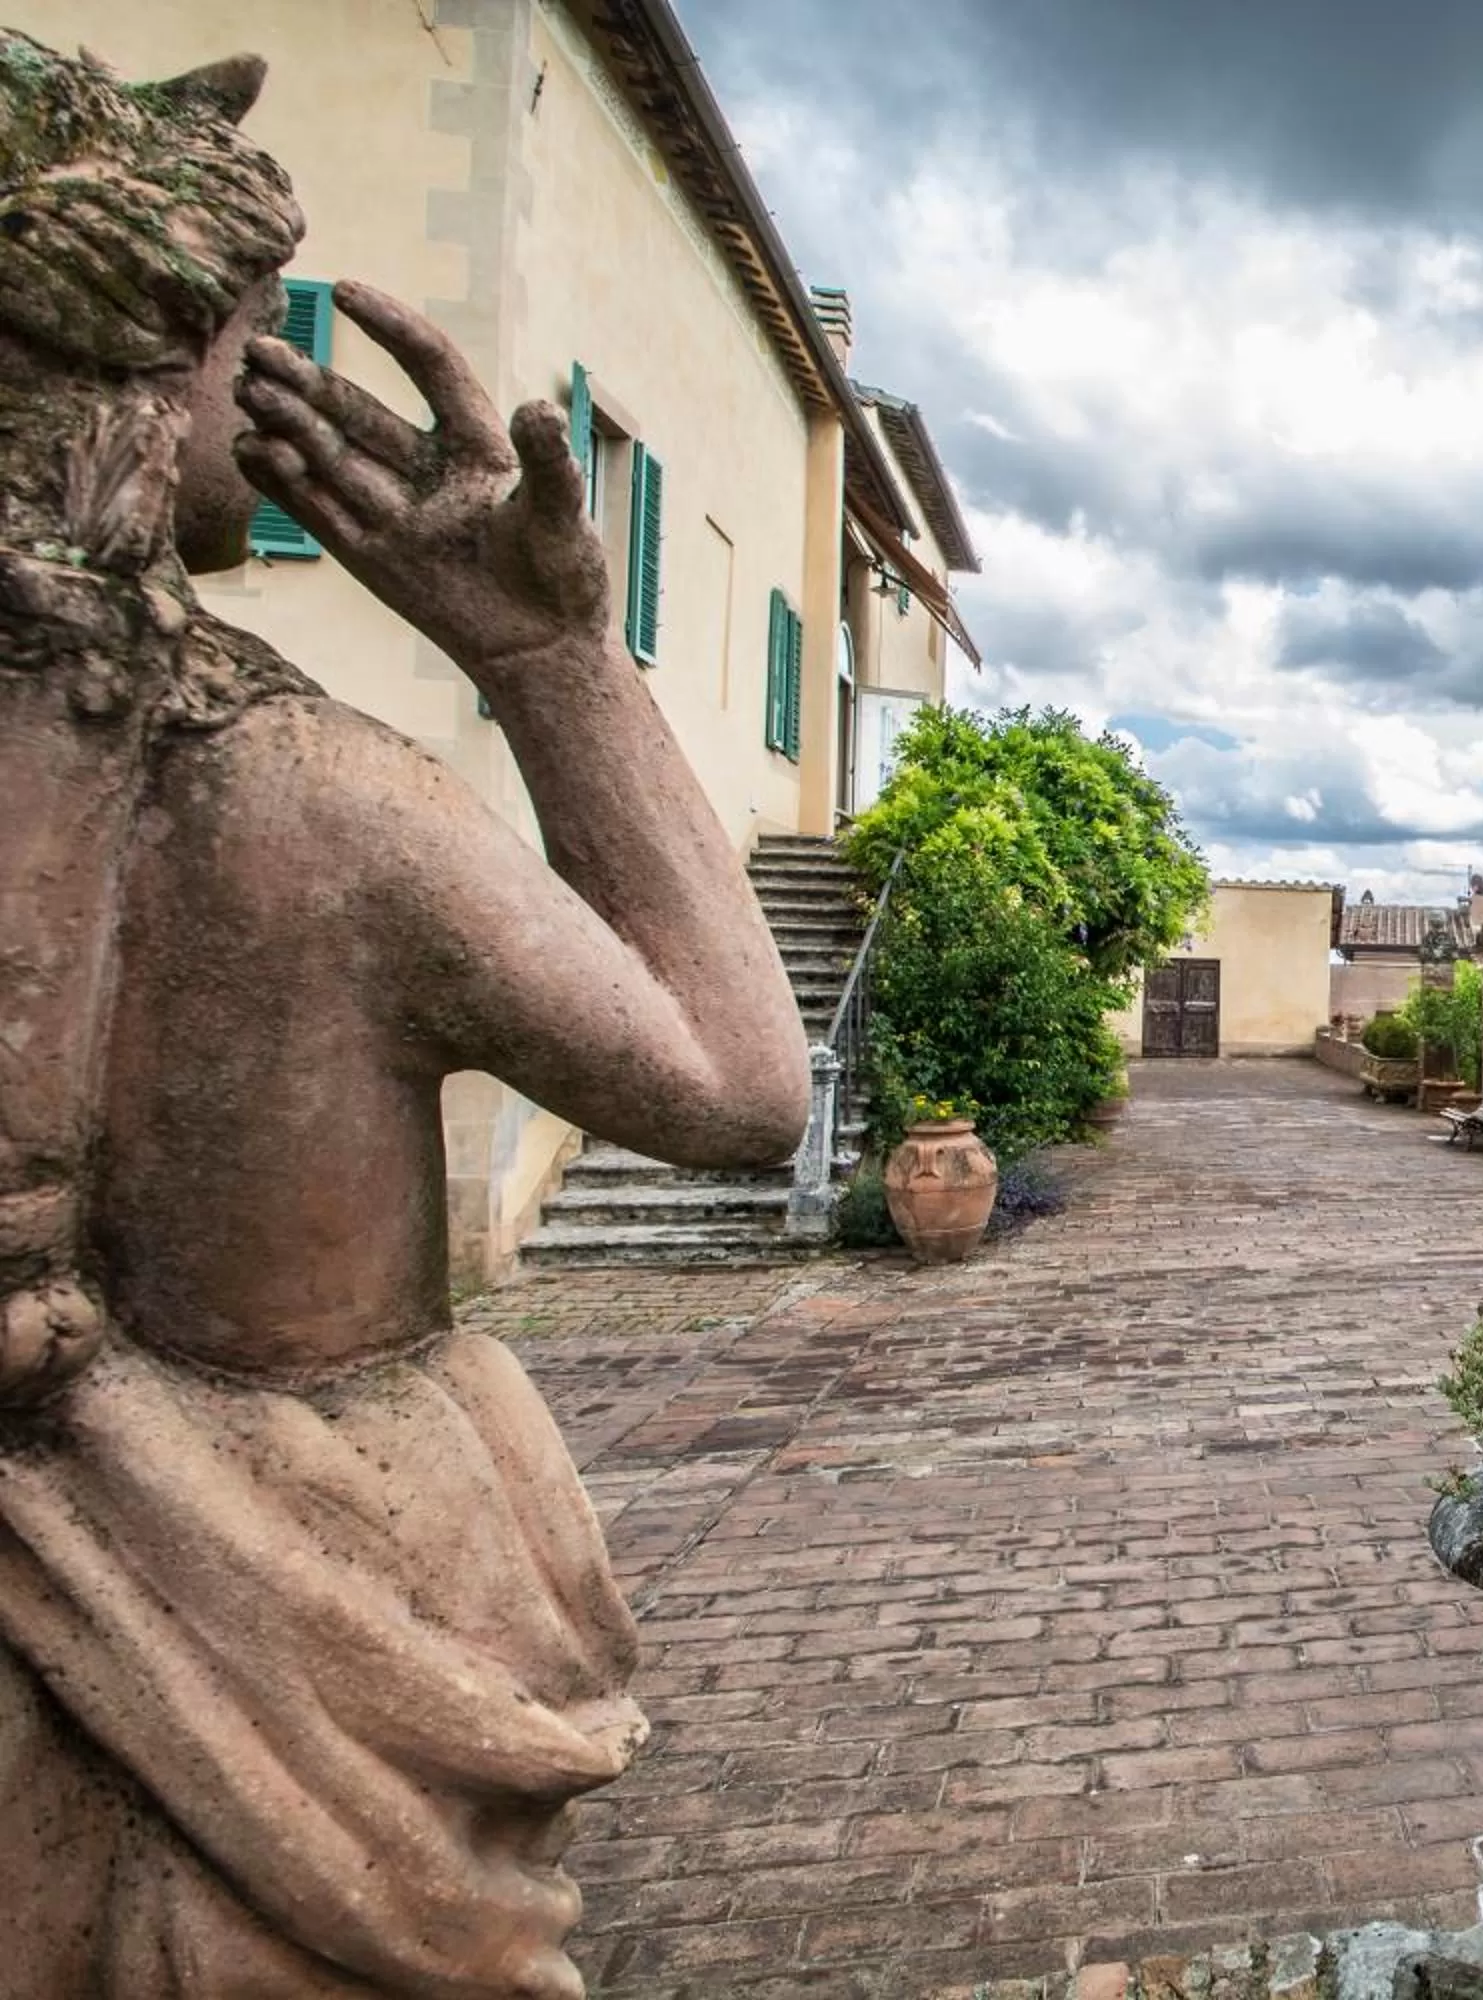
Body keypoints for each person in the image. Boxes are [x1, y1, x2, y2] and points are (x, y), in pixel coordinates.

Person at [0, 36, 808, 1996]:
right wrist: (547, 655)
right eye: (232, 342)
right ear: (155, 367)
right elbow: (739, 1082)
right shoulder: (312, 804)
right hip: (296, 1759)